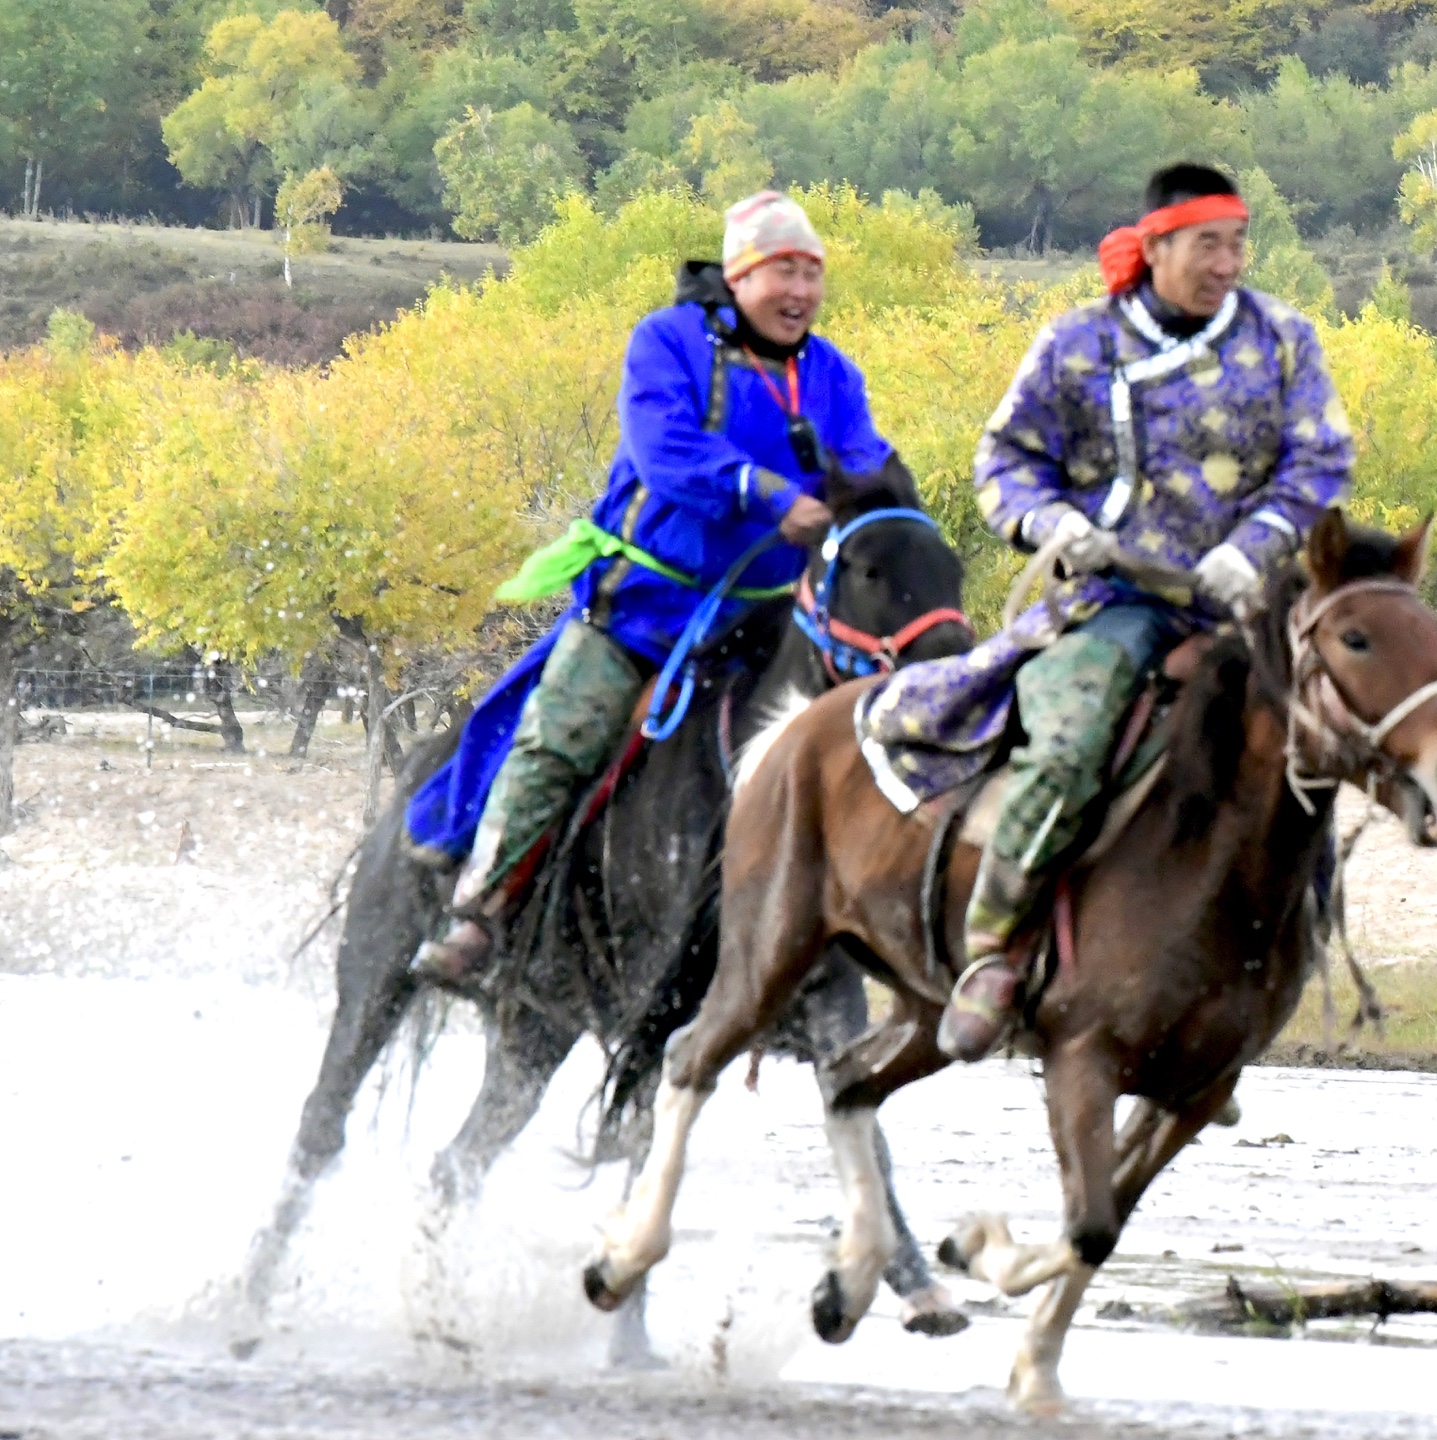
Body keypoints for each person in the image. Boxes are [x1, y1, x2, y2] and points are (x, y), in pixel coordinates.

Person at [859, 163, 1357, 1061]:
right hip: (1113, 602)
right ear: (1159, 244)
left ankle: (1247, 990)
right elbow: (1005, 460)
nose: (1228, 263)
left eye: (1238, 243)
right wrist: (1053, 524)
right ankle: (992, 952)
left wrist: (1254, 547)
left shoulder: (1283, 339)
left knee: (1314, 746)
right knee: (1072, 736)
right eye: (1210, 244)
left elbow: (1319, 462)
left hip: (1245, 603)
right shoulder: (1076, 344)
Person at [404, 190, 894, 981]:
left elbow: (865, 459)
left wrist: (875, 504)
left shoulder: (832, 374)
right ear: (739, 275)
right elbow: (665, 449)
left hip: (771, 624)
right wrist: (770, 497)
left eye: (812, 273)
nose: (800, 291)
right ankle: (480, 910)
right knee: (557, 740)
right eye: (783, 271)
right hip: (643, 614)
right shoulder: (667, 342)